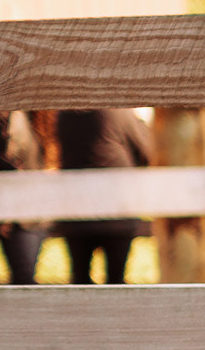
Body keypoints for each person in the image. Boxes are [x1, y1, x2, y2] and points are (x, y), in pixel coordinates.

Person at [53, 108, 153, 284]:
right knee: (116, 280)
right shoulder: (119, 111)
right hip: (117, 210)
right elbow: (145, 151)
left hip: (76, 211)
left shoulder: (65, 113)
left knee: (80, 280)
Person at [0, 111, 47, 284]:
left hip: (17, 215)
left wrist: (5, 216)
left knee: (23, 278)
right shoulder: (21, 118)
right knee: (24, 275)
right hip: (28, 211)